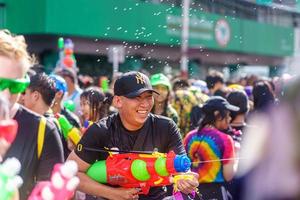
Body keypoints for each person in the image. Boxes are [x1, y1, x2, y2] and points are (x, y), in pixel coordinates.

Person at [67, 71, 199, 200]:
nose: (146, 104)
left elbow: (182, 168)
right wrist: (113, 194)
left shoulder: (165, 127)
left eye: (149, 97)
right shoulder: (101, 130)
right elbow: (70, 173)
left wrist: (186, 180)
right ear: (118, 101)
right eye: (137, 97)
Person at [0, 29, 64, 199]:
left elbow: (49, 190)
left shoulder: (43, 129)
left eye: (15, 87)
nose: (5, 95)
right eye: (0, 83)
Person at [184, 96, 239, 200]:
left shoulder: (189, 137)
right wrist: (236, 157)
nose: (230, 118)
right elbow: (229, 176)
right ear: (217, 115)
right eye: (227, 115)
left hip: (191, 192)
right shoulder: (225, 139)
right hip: (216, 193)